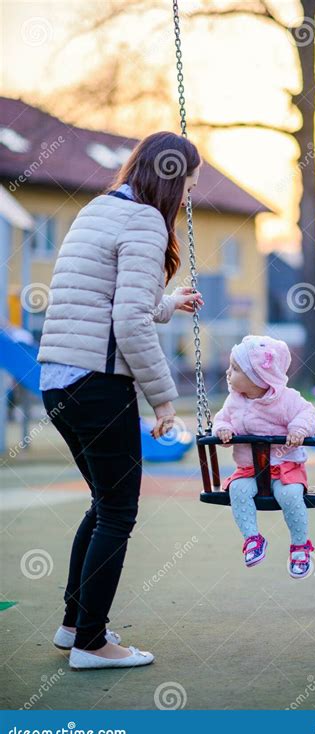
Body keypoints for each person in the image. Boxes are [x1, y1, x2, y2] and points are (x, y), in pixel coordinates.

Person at [38, 131, 204, 670]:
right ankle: (92, 643)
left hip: (57, 382)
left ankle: (72, 626)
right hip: (97, 383)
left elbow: (109, 301)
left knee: (102, 504)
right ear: (173, 179)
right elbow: (126, 324)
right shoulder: (146, 221)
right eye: (189, 189)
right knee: (118, 512)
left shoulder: (99, 208)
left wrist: (167, 302)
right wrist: (162, 402)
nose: (186, 200)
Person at [212, 335, 315, 579]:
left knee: (290, 495)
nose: (228, 372)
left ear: (259, 377)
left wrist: (298, 429)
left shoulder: (287, 399)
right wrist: (223, 430)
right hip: (249, 470)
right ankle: (253, 538)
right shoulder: (233, 401)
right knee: (237, 490)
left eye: (235, 368)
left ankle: (300, 546)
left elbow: (308, 413)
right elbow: (221, 419)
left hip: (284, 469)